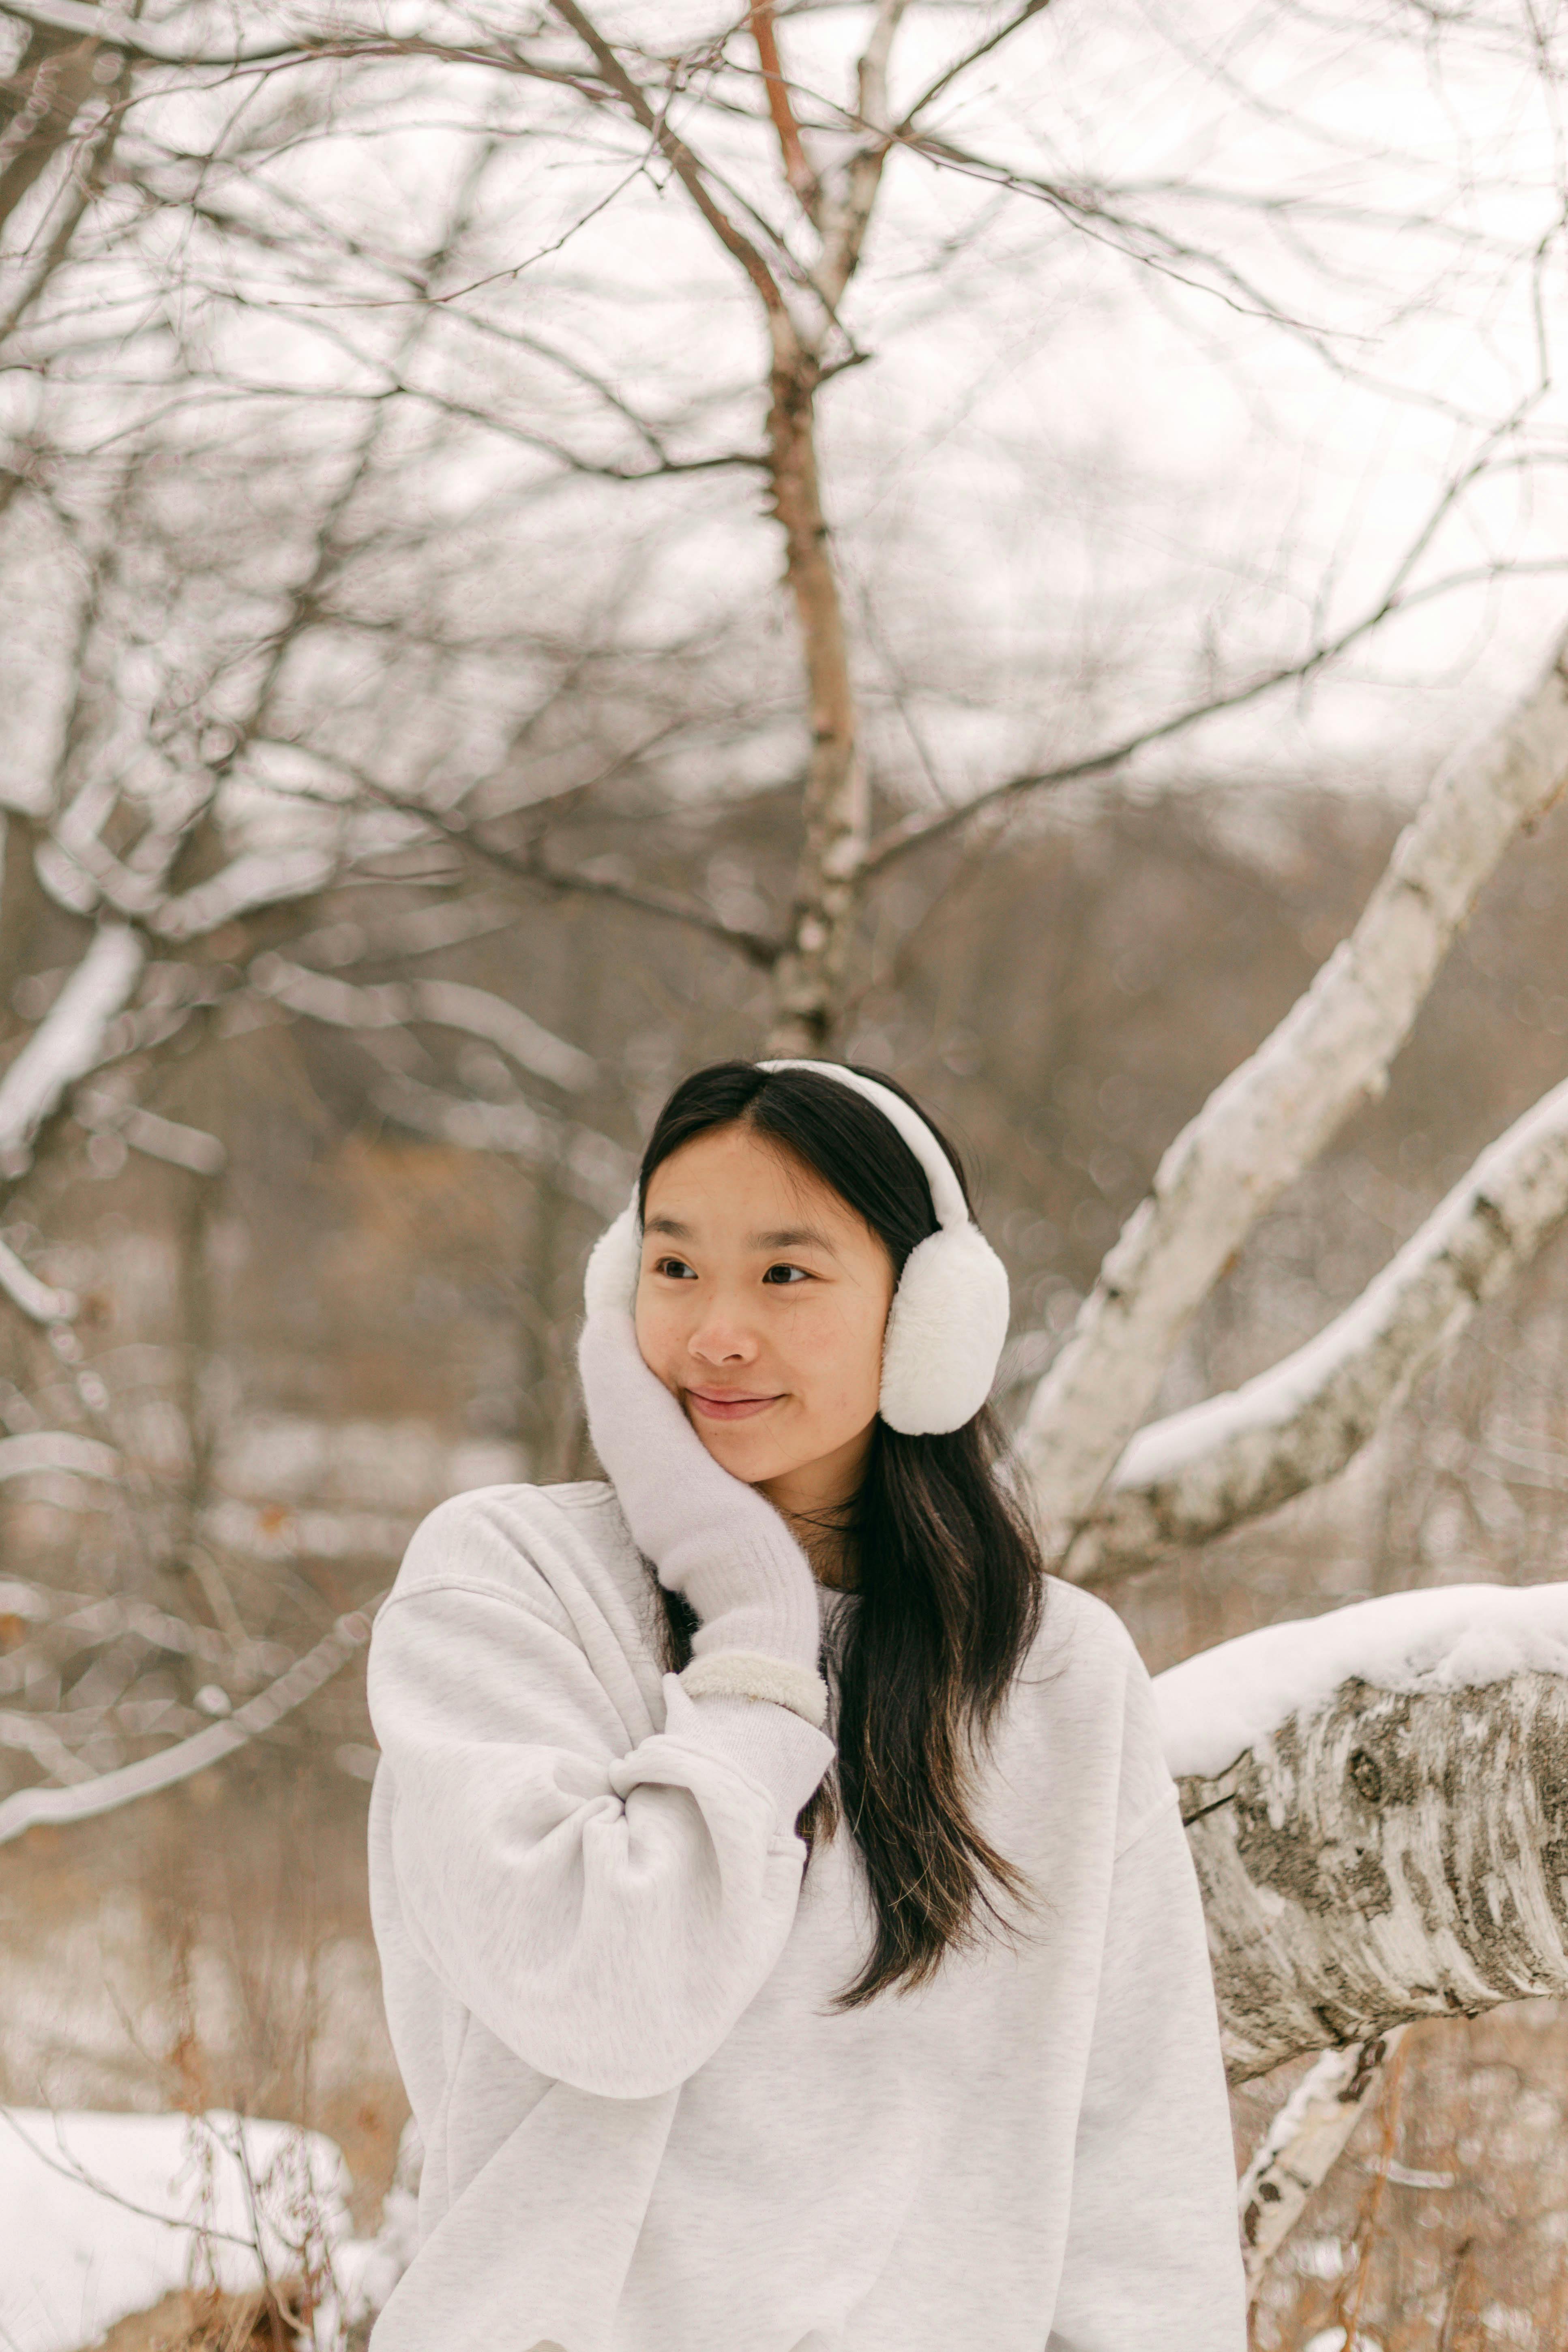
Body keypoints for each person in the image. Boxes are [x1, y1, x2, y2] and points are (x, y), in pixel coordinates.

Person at [364, 1057, 1247, 2351]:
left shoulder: (1054, 1672)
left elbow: (1139, 2185)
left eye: (785, 1272)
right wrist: (755, 1633)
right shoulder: (509, 1585)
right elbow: (610, 2000)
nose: (717, 1329)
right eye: (673, 1268)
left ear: (926, 1316)